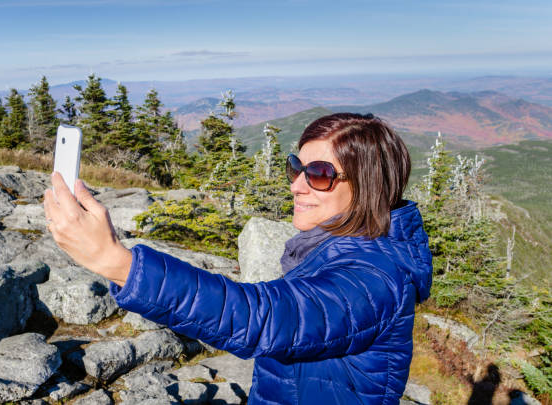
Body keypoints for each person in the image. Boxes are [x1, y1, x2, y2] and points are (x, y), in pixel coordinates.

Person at [44, 112, 433, 405]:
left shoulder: (375, 277)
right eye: (295, 167)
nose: (297, 184)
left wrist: (119, 264)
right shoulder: (343, 249)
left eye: (318, 173)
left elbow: (264, 319)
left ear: (367, 185)